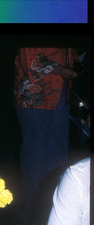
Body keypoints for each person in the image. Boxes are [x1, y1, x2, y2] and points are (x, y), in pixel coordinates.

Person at [14, 47, 79, 210]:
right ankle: (31, 209)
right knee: (35, 155)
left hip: (60, 92)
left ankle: (55, 203)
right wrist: (60, 69)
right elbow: (27, 57)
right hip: (34, 95)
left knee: (58, 152)